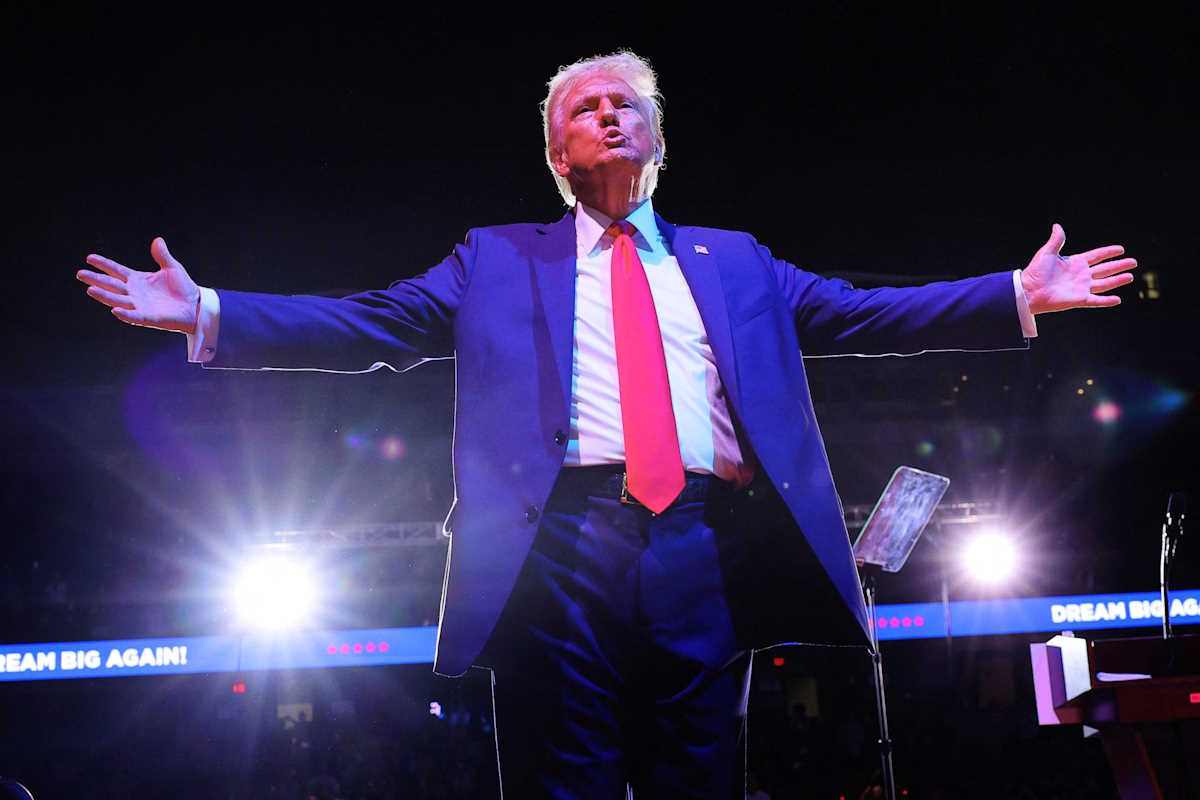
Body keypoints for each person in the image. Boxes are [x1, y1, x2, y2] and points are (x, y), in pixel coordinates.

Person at [76, 51, 1135, 799]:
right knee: (564, 775)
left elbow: (865, 313)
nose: (613, 115)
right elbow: (371, 322)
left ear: (661, 138)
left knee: (698, 770)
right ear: (556, 153)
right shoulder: (497, 257)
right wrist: (208, 311)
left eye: (631, 103)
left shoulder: (739, 259)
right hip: (560, 547)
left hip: (708, 545)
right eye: (588, 107)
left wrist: (1015, 293)